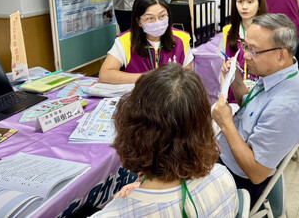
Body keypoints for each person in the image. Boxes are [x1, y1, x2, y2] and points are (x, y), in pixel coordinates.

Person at [91, 64, 238, 217]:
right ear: (202, 127)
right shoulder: (223, 177)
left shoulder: (118, 213)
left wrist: (119, 206)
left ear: (133, 131)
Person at [212, 13, 299, 207]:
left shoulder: (285, 107)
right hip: (227, 155)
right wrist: (236, 80)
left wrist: (226, 124)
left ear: (281, 55)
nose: (246, 55)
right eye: (245, 46)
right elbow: (252, 108)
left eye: (253, 51)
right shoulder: (276, 75)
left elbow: (256, 173)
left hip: (240, 178)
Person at [99, 0, 193, 84]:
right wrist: (148, 77)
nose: (157, 22)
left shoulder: (181, 38)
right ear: (139, 21)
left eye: (162, 16)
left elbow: (188, 77)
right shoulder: (125, 40)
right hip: (138, 96)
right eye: (150, 18)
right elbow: (105, 74)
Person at [218, 0, 269, 103]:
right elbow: (223, 72)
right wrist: (223, 99)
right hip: (234, 101)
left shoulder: (270, 32)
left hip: (261, 99)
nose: (244, 7)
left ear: (259, 4)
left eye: (250, 2)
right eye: (240, 1)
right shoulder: (227, 32)